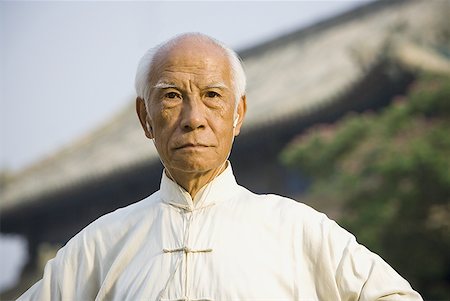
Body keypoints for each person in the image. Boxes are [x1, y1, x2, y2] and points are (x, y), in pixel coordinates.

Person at [18, 33, 422, 301]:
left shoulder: (299, 229)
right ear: (145, 118)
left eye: (213, 95)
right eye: (172, 96)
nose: (194, 118)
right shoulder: (99, 246)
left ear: (238, 114)